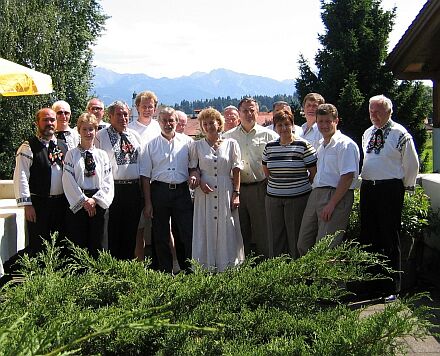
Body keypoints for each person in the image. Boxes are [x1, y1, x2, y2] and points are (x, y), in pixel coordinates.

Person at [359, 94, 419, 302]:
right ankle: (371, 284)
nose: (373, 115)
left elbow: (412, 164)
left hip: (390, 190)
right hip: (369, 188)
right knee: (368, 237)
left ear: (389, 112)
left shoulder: (400, 134)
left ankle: (392, 287)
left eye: (378, 111)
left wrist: (405, 188)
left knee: (389, 237)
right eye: (371, 111)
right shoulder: (367, 133)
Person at [297, 104, 359, 256]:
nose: (324, 125)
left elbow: (347, 177)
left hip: (336, 196)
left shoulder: (345, 145)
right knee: (303, 243)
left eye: (328, 121)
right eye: (320, 122)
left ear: (336, 121)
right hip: (316, 193)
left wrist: (332, 204)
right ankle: (312, 279)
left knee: (326, 247)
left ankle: (331, 281)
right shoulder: (320, 145)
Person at [189, 108, 244, 271]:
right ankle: (205, 267)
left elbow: (236, 169)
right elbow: (193, 168)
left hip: (225, 190)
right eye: (204, 124)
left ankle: (226, 267)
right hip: (203, 193)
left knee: (227, 225)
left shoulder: (231, 143)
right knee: (204, 227)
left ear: (219, 123)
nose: (208, 126)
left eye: (211, 122)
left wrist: (236, 193)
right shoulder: (196, 146)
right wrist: (197, 181)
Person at [140, 107, 195, 273]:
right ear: (159, 122)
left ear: (177, 122)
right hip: (159, 192)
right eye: (164, 120)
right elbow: (145, 177)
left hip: (182, 192)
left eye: (171, 120)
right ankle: (165, 271)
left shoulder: (188, 143)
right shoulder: (150, 145)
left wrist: (194, 175)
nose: (168, 123)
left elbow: (194, 167)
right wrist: (148, 203)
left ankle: (188, 270)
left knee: (185, 232)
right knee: (161, 234)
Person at [223, 97, 278, 258]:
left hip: (260, 188)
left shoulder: (269, 136)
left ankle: (267, 265)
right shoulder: (228, 137)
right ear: (239, 113)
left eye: (252, 110)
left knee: (263, 230)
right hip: (236, 190)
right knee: (239, 231)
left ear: (257, 111)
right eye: (245, 111)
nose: (248, 114)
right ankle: (243, 268)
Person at [13, 108, 69, 255]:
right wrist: (27, 204)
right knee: (39, 246)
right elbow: (21, 176)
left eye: (52, 120)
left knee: (60, 245)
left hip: (61, 204)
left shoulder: (63, 146)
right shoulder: (27, 147)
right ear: (37, 123)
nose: (49, 123)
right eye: (45, 120)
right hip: (39, 206)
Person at [262, 109, 317, 258]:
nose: (284, 128)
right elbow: (266, 170)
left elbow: (314, 173)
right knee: (275, 237)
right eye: (279, 125)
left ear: (292, 125)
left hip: (298, 199)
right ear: (275, 127)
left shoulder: (303, 145)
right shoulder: (270, 146)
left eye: (287, 124)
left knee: (296, 236)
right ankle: (279, 272)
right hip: (273, 198)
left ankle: (297, 272)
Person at [96, 100, 143, 260]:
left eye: (125, 114)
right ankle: (113, 268)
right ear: (110, 116)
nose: (123, 117)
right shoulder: (100, 136)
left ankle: (127, 267)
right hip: (114, 189)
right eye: (118, 114)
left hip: (134, 190)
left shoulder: (135, 135)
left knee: (131, 231)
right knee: (113, 231)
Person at [62, 113, 114, 257]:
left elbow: (108, 180)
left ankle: (98, 276)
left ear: (96, 131)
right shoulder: (71, 155)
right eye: (84, 129)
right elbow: (68, 180)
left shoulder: (102, 155)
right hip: (78, 203)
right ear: (78, 131)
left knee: (99, 244)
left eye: (91, 129)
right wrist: (84, 201)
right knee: (78, 244)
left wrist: (94, 200)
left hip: (98, 202)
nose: (88, 133)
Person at [128, 91, 161, 261]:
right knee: (139, 227)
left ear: (155, 108)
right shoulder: (130, 129)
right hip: (138, 183)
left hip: (158, 181)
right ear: (137, 107)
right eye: (144, 106)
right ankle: (139, 264)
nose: (147, 109)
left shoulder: (158, 127)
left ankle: (164, 262)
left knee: (161, 225)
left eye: (150, 106)